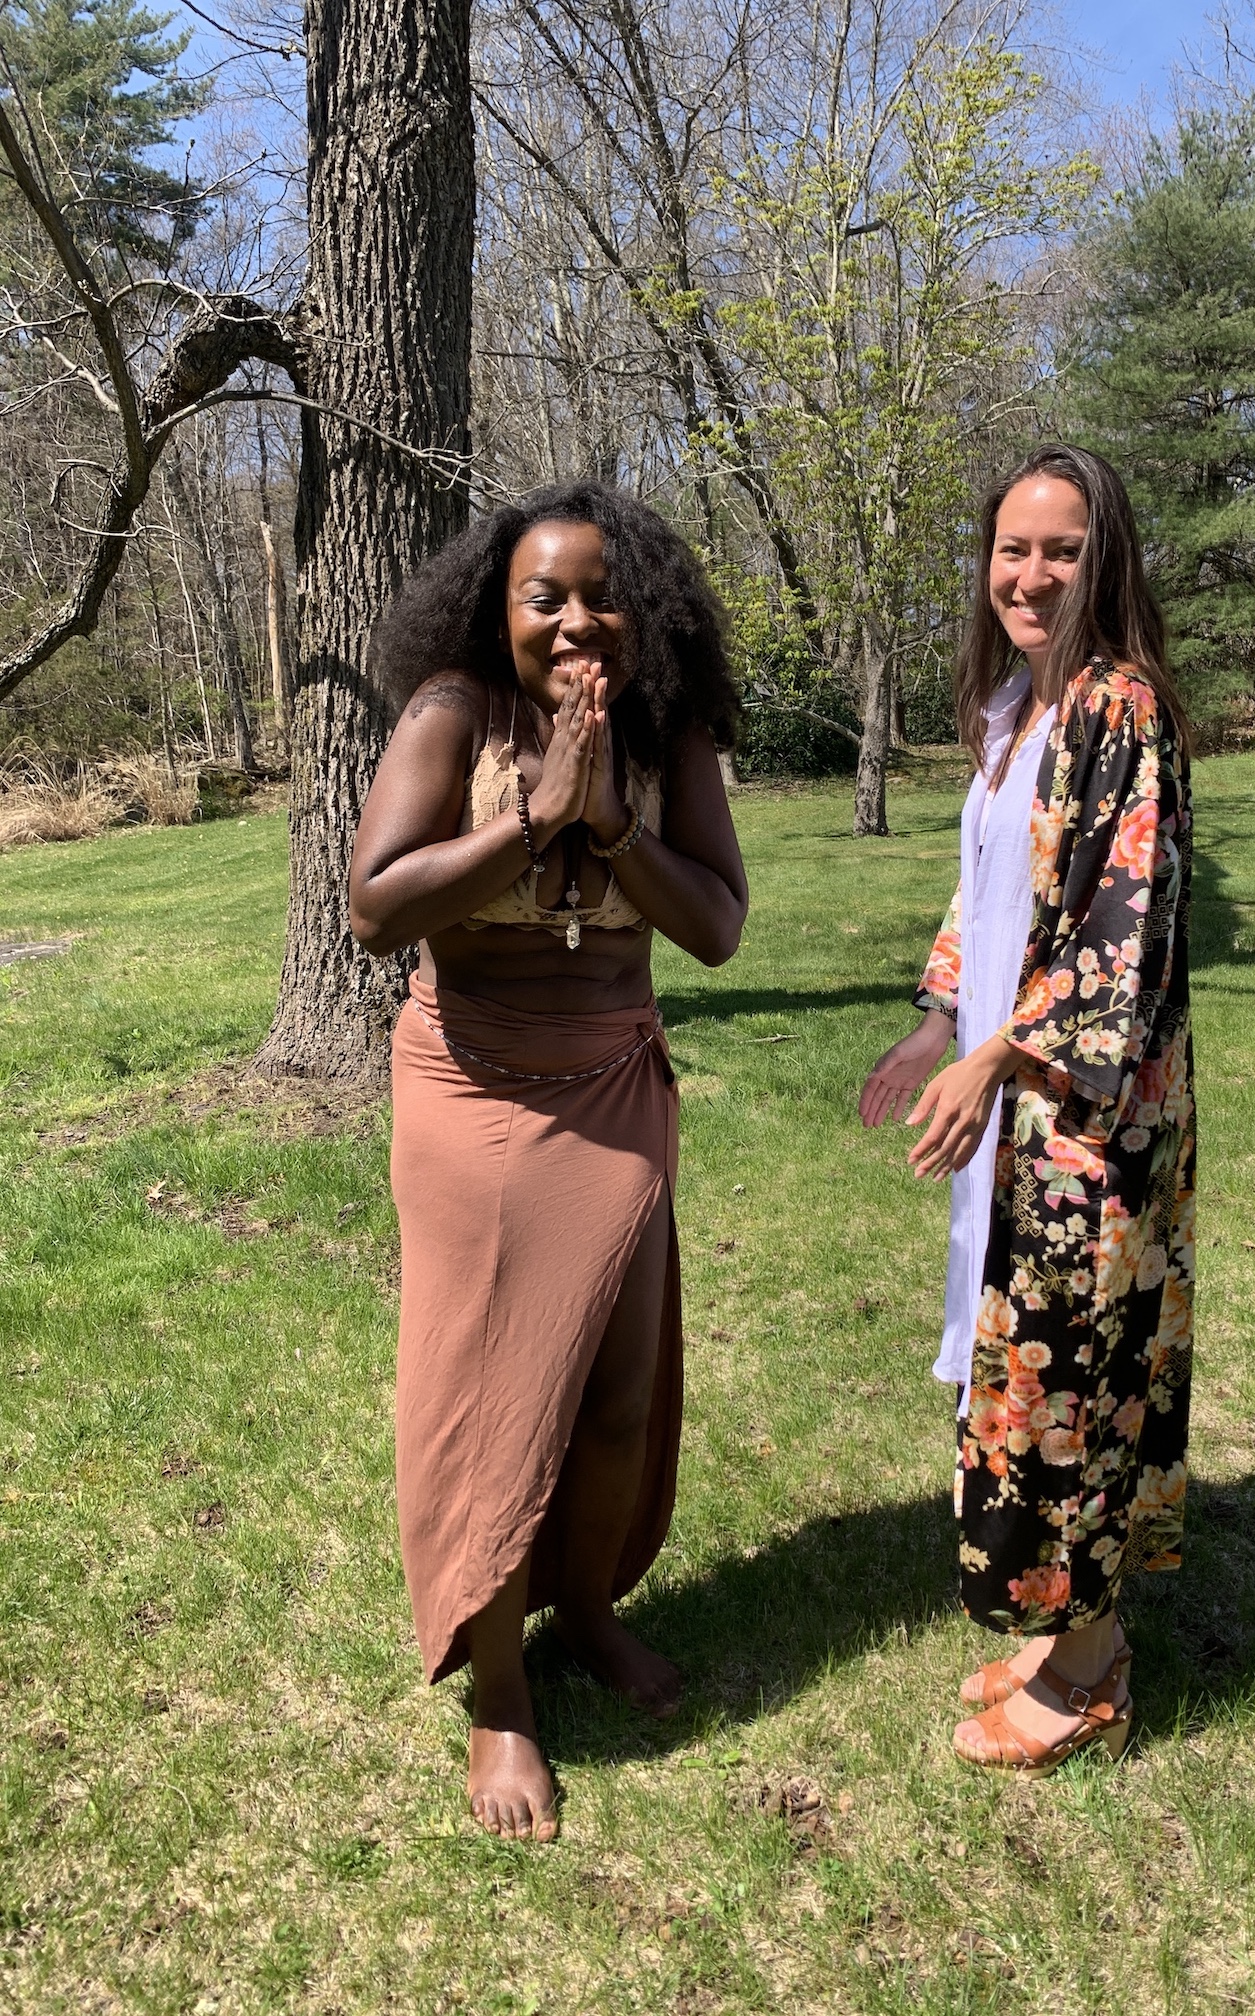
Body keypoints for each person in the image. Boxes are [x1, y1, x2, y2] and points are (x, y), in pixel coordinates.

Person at [350, 482, 748, 1840]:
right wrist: (532, 819)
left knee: (620, 1398)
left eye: (602, 593)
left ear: (648, 606)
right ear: (498, 608)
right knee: (492, 1397)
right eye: (546, 597)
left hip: (615, 1086)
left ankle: (583, 1610)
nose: (579, 620)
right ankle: (501, 1692)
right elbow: (374, 905)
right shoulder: (452, 716)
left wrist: (614, 824)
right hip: (469, 1086)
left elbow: (719, 926)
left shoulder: (669, 733)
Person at [860, 444, 1195, 1776]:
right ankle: (1058, 1632)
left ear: (1101, 559)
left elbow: (1123, 936)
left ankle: (1096, 1664)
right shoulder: (1015, 713)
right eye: (1013, 547)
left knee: (1083, 1382)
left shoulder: (1121, 707)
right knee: (1024, 1372)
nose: (1032, 573)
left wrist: (999, 1058)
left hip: (1085, 1123)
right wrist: (940, 1019)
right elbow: (988, 900)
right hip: (1013, 1095)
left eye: (1061, 549)